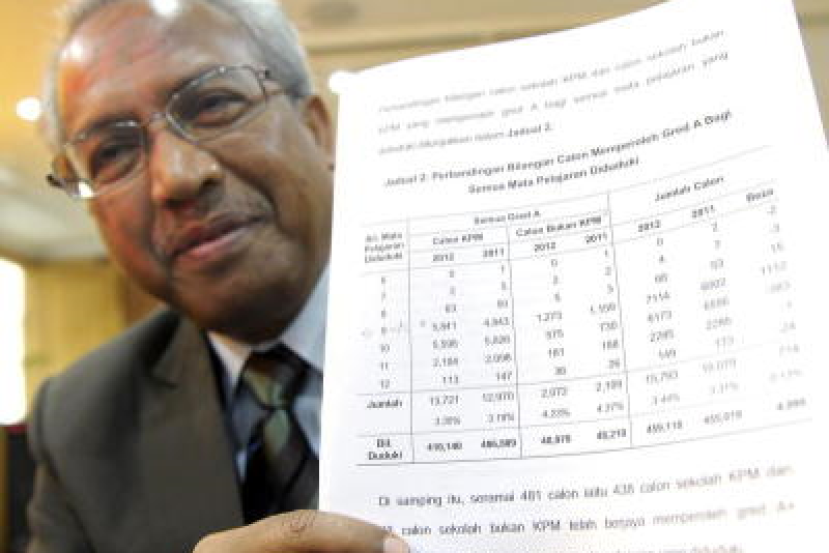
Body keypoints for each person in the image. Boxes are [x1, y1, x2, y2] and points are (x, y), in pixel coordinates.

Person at [27, 1, 410, 553]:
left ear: (317, 131)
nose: (177, 177)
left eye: (212, 104)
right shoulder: (79, 423)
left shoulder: (513, 326)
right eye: (112, 151)